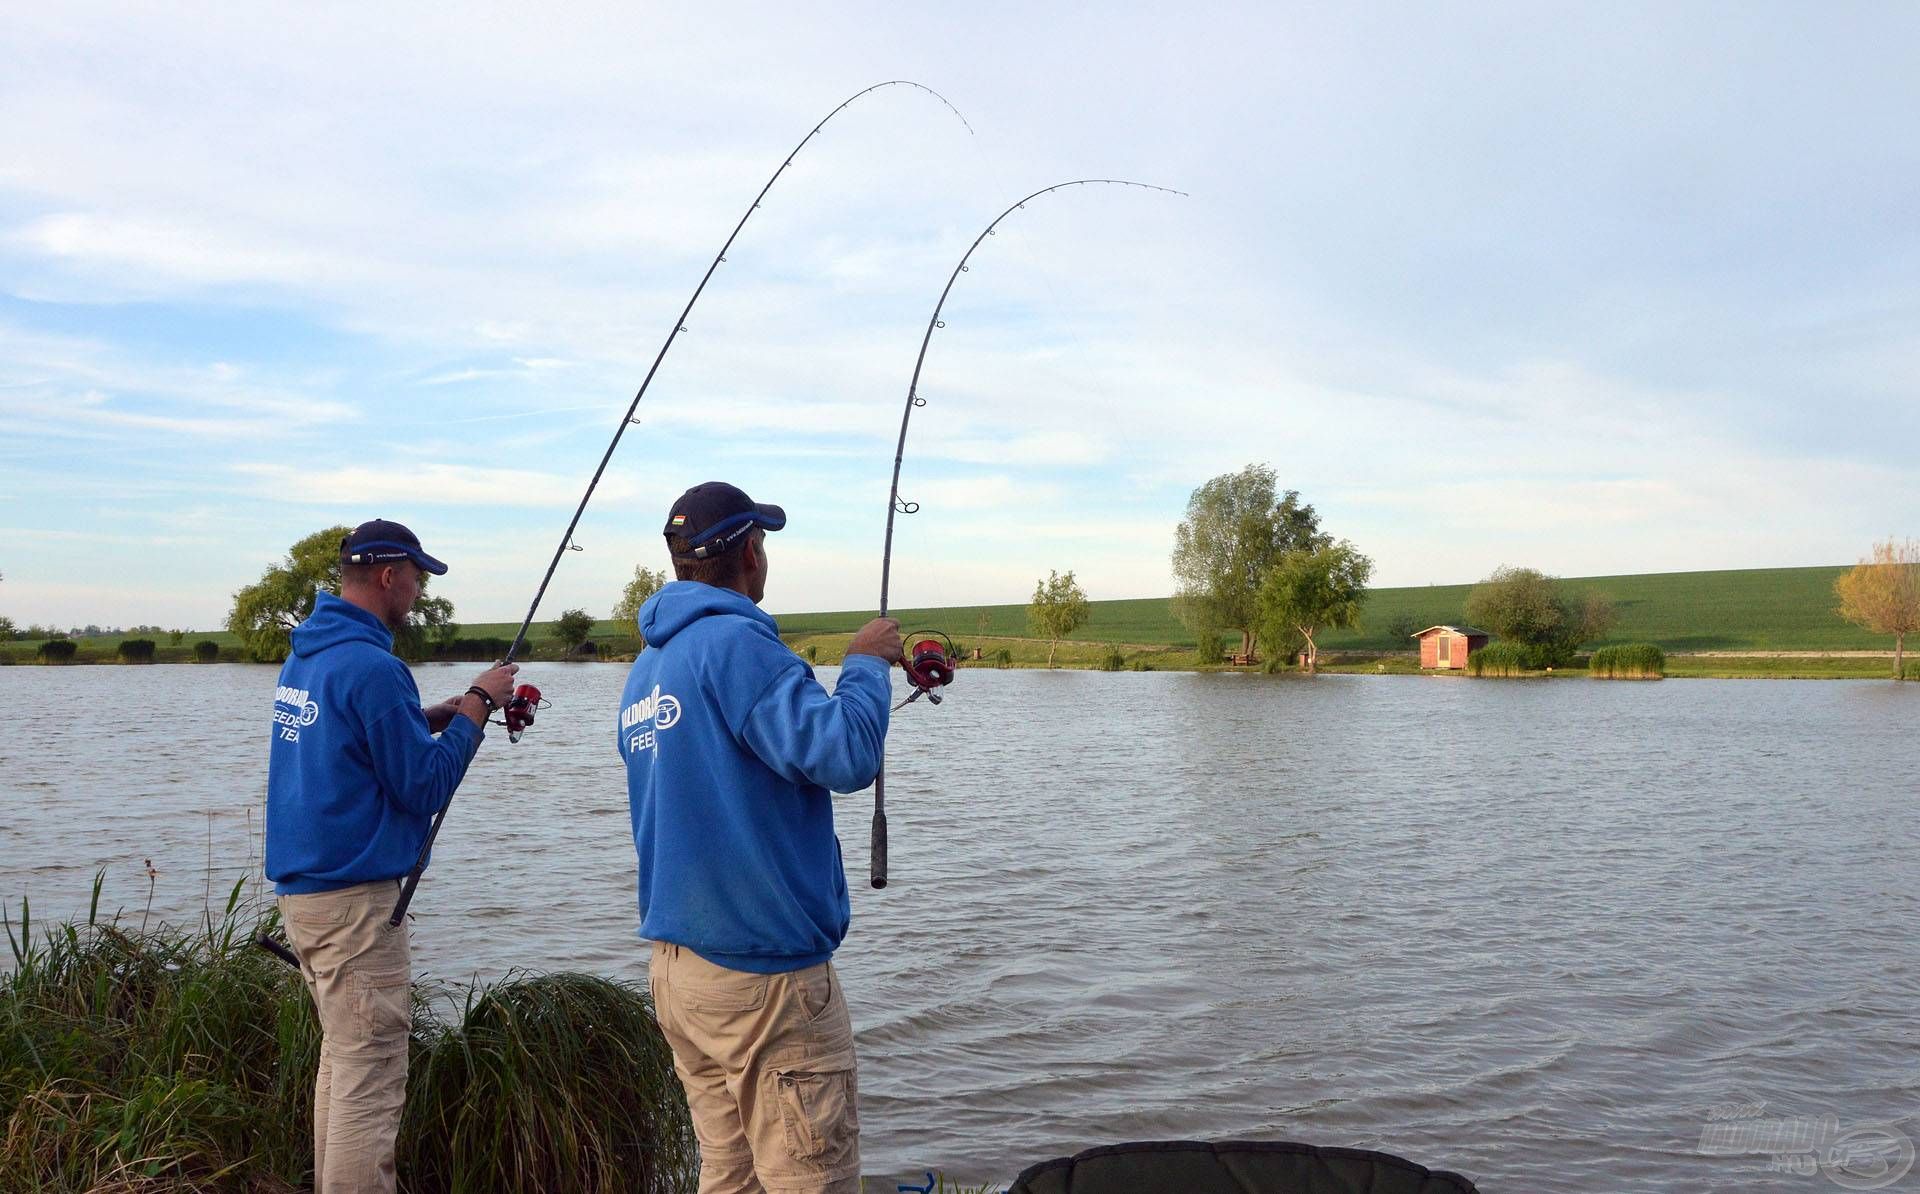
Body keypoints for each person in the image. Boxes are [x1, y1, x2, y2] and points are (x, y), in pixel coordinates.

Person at [619, 482, 903, 1194]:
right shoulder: (737, 645)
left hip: (681, 975)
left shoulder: (646, 671)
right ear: (751, 551)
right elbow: (844, 755)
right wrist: (865, 663)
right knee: (813, 1179)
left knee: (731, 1177)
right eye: (764, 543)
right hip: (765, 986)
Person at [265, 518, 519, 1194]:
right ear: (388, 576)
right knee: (370, 1075)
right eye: (417, 576)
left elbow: (359, 743)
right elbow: (423, 787)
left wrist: (435, 715)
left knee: (345, 1062)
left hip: (308, 894)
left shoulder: (311, 655)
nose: (419, 588)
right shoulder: (375, 667)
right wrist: (476, 708)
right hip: (354, 903)